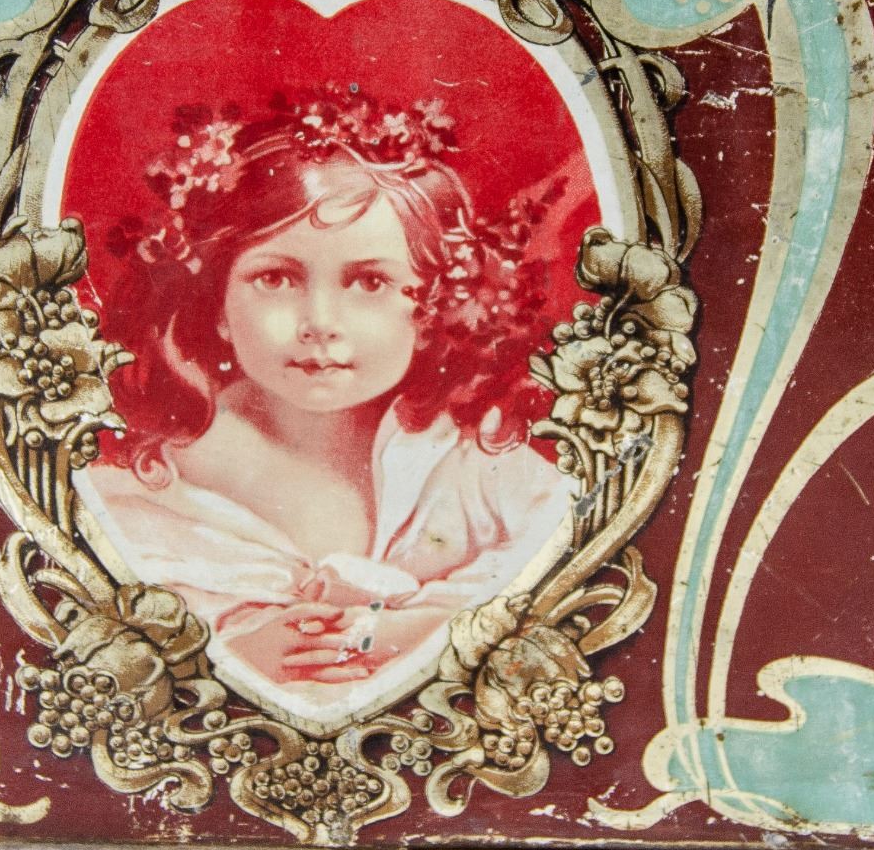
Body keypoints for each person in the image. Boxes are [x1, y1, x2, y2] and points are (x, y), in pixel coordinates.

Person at [79, 86, 574, 710]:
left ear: (431, 308)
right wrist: (224, 656)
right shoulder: (155, 484)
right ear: (218, 305)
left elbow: (558, 562)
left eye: (369, 282)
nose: (320, 322)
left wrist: (420, 631)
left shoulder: (473, 458)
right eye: (275, 278)